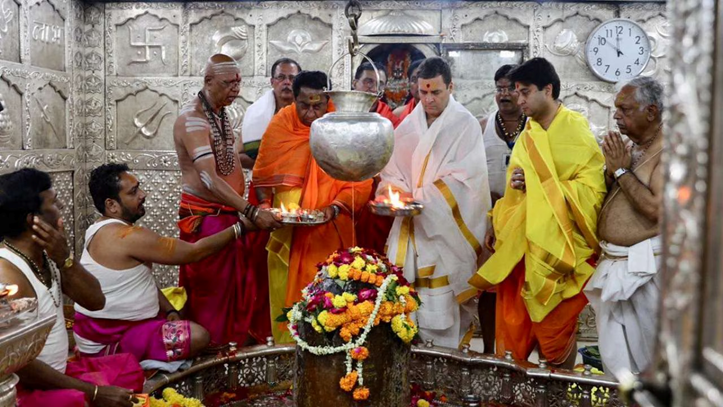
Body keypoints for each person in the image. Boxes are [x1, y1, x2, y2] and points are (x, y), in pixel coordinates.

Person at [469, 58, 606, 368]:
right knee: (514, 336)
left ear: (548, 90)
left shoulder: (575, 129)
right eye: (516, 92)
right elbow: (517, 191)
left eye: (525, 92)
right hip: (523, 247)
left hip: (561, 253)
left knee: (553, 337)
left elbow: (592, 193)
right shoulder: (529, 132)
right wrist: (514, 192)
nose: (519, 99)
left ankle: (557, 388)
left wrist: (541, 186)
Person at [0, 168, 144, 407]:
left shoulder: (48, 255)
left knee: (129, 370)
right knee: (78, 401)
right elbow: (18, 366)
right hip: (22, 387)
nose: (62, 207)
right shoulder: (8, 274)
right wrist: (94, 392)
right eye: (55, 202)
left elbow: (95, 301)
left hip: (57, 373)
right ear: (33, 220)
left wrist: (65, 258)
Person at [378, 57, 490, 349]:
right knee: (405, 310)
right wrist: (394, 192)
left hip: (444, 234)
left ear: (451, 87)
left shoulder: (465, 125)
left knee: (440, 316)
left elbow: (466, 182)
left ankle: (444, 364)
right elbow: (392, 172)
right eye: (423, 92)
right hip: (409, 233)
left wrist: (418, 198)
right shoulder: (407, 127)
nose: (428, 99)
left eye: (436, 92)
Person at [253, 71, 373, 343]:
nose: (310, 113)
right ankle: (286, 352)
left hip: (329, 229)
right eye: (303, 105)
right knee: (287, 296)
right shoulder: (281, 124)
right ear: (293, 100)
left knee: (330, 295)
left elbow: (361, 177)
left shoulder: (340, 127)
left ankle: (331, 353)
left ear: (328, 100)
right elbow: (262, 174)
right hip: (286, 230)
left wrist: (335, 207)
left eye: (317, 105)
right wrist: (265, 205)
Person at [173, 54, 281, 348]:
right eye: (227, 83)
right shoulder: (193, 120)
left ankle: (232, 351)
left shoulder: (220, 114)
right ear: (208, 81)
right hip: (207, 221)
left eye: (238, 82)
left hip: (228, 216)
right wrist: (251, 212)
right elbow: (209, 178)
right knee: (212, 295)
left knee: (235, 293)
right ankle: (211, 357)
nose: (235, 89)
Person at [73, 163, 230, 364]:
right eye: (133, 192)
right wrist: (241, 228)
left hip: (121, 326)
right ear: (112, 205)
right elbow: (195, 252)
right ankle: (114, 357)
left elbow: (141, 281)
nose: (143, 194)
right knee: (199, 336)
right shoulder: (123, 236)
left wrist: (170, 310)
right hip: (110, 336)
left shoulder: (101, 227)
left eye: (138, 187)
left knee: (183, 310)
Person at [584, 77, 664, 378]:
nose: (616, 116)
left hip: (647, 270)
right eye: (616, 108)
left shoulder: (670, 151)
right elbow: (612, 194)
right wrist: (611, 171)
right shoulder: (631, 146)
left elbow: (658, 211)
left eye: (625, 109)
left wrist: (619, 169)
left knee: (650, 363)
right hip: (615, 263)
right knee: (616, 364)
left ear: (651, 111)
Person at [476, 64, 528, 354]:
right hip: (489, 218)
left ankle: (519, 351)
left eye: (510, 89)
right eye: (499, 89)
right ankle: (487, 350)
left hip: (526, 216)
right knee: (489, 284)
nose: (504, 94)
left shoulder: (534, 127)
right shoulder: (482, 127)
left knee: (522, 282)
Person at [352, 61, 401, 254]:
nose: (373, 88)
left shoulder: (391, 121)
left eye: (380, 84)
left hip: (377, 195)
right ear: (355, 83)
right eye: (368, 82)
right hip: (344, 192)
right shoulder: (338, 114)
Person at [238, 58, 302, 169]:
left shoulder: (308, 113)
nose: (287, 82)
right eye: (281, 77)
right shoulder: (255, 114)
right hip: (266, 177)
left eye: (292, 78)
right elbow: (239, 156)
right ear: (272, 82)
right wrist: (271, 165)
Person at [352, 61, 400, 127]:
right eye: (369, 82)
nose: (374, 89)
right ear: (354, 84)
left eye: (380, 84)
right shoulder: (340, 110)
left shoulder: (389, 120)